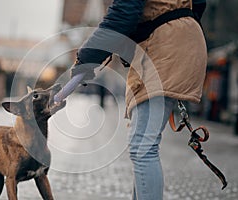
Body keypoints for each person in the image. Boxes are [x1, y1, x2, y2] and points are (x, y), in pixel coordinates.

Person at [70, 0, 207, 199]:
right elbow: (199, 3)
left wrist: (86, 59)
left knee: (143, 147)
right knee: (143, 145)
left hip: (164, 46)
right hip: (183, 41)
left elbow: (123, 14)